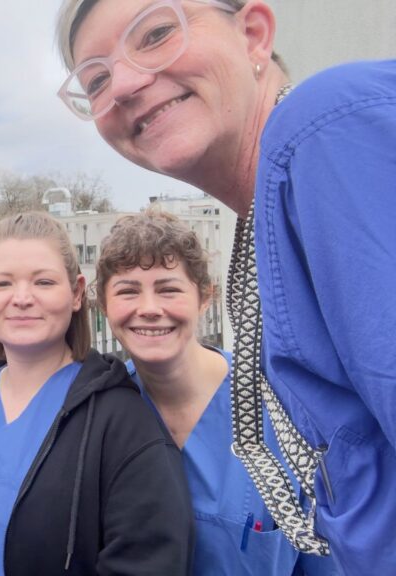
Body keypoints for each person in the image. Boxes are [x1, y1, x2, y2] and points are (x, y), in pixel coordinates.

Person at [57, 1, 396, 572]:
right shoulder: (267, 223)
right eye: (96, 81)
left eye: (156, 33)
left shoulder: (326, 128)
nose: (127, 84)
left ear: (254, 33)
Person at [0, 211, 193, 576]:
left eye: (43, 282)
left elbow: (147, 562)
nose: (21, 298)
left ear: (76, 293)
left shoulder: (120, 422)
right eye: (3, 283)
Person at [95, 209, 336, 575]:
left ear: (205, 297)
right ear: (103, 304)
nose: (149, 309)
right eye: (128, 291)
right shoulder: (99, 414)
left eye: (169, 289)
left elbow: (328, 559)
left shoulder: (284, 408)